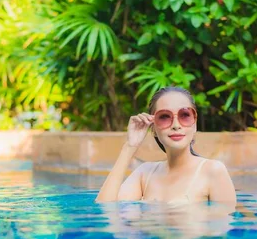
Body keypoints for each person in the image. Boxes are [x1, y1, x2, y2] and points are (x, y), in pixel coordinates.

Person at [95, 86, 237, 206]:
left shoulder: (212, 171)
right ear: (153, 128)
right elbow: (105, 209)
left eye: (185, 115)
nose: (176, 125)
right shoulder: (145, 173)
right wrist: (130, 146)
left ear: (194, 123)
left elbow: (224, 233)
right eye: (164, 117)